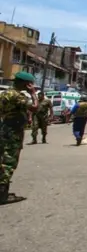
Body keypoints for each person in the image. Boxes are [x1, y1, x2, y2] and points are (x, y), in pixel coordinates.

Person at [0, 71, 39, 205]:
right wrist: (33, 93)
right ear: (25, 83)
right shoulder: (17, 96)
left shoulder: (5, 94)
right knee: (9, 161)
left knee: (3, 158)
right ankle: (2, 195)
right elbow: (34, 107)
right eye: (29, 84)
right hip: (13, 131)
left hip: (5, 127)